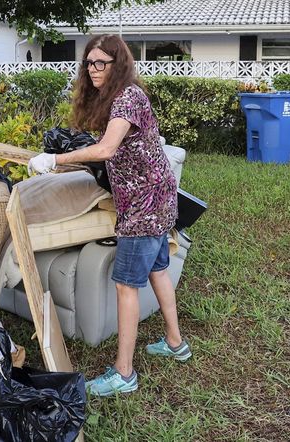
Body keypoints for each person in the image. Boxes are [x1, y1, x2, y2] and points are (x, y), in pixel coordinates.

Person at [28, 34, 191, 397]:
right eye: (89, 62)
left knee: (125, 285)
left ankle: (124, 374)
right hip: (159, 199)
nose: (94, 69)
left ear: (119, 65)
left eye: (102, 63)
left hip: (144, 208)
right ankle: (176, 343)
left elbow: (105, 148)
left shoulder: (128, 97)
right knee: (158, 269)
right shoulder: (119, 97)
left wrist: (55, 160)